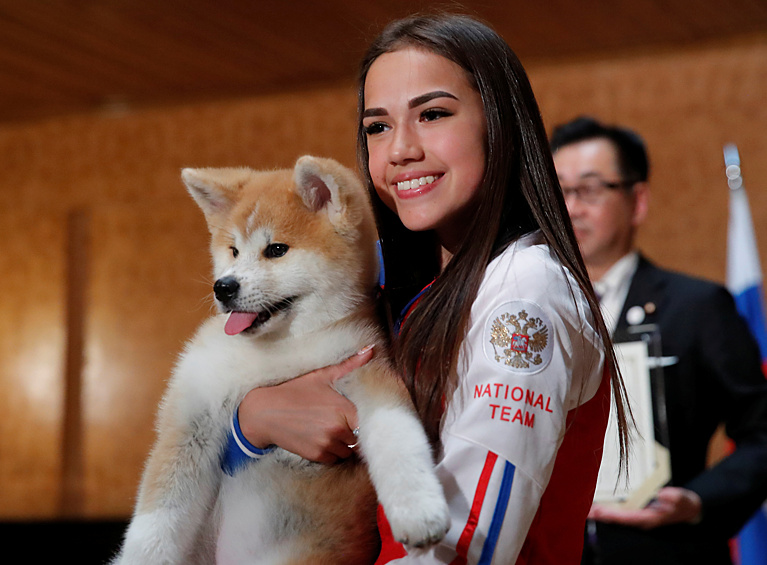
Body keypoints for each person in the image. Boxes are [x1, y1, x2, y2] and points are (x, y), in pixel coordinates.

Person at [234, 15, 631, 564]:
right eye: (377, 126)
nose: (399, 149)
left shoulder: (525, 290)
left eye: (433, 114)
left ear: (500, 125)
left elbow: (462, 548)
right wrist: (251, 420)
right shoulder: (408, 289)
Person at [550, 116, 767, 565]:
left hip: (667, 551)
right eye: (559, 191)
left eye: (589, 190)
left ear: (638, 201)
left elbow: (762, 432)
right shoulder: (529, 311)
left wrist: (697, 500)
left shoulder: (697, 306)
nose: (571, 208)